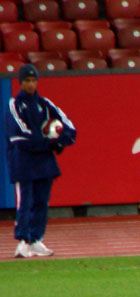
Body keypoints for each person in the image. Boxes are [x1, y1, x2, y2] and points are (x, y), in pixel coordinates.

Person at [6, 64, 76, 258]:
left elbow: (69, 125)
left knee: (42, 202)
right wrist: (48, 144)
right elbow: (19, 136)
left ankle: (36, 239)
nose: (31, 84)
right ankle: (23, 241)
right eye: (27, 80)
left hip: (44, 162)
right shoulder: (14, 105)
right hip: (23, 162)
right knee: (25, 202)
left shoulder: (44, 104)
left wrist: (60, 141)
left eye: (33, 80)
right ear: (21, 82)